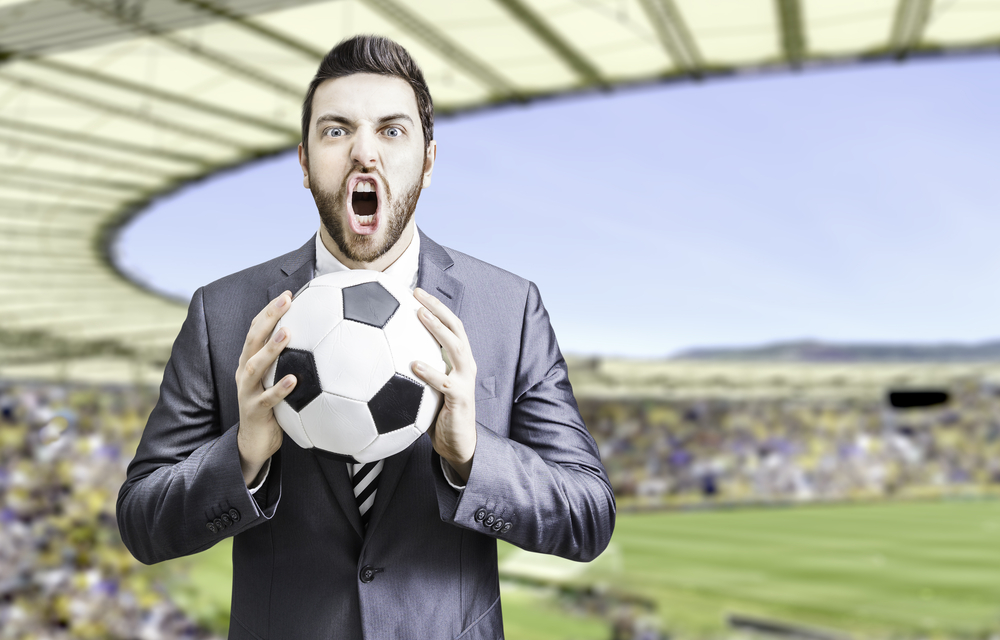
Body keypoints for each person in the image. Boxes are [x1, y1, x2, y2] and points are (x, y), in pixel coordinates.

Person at [117, 34, 615, 640]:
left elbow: (589, 517)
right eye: (335, 131)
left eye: (391, 130)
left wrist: (471, 456)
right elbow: (141, 522)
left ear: (428, 162)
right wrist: (242, 455)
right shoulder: (222, 314)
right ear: (304, 162)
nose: (363, 155)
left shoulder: (508, 309)